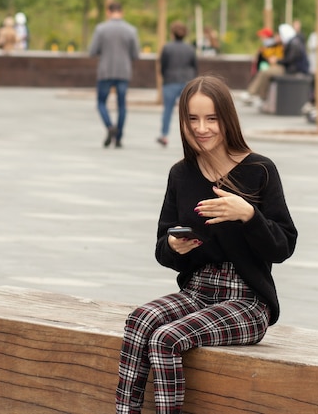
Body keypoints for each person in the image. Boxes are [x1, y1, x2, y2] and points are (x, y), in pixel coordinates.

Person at [115, 75, 298, 414]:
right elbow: (162, 246)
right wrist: (174, 247)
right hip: (197, 292)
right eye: (192, 119)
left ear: (227, 119)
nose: (202, 128)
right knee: (138, 321)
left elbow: (284, 245)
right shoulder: (181, 174)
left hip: (247, 301)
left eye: (211, 118)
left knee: (165, 339)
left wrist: (248, 215)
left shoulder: (259, 170)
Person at [89, 1, 140, 148]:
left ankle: (110, 127)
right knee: (122, 105)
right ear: (121, 12)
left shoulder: (101, 29)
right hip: (123, 71)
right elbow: (135, 54)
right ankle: (118, 138)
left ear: (108, 12)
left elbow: (92, 51)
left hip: (105, 71)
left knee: (101, 103)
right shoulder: (131, 30)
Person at [156, 21, 197, 147]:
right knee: (188, 111)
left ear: (172, 33)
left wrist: (164, 77)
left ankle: (164, 135)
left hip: (170, 80)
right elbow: (194, 66)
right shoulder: (190, 48)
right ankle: (191, 136)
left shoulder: (167, 48)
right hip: (187, 81)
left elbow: (162, 65)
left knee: (167, 109)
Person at [241, 27, 284, 105]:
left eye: (262, 36)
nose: (261, 38)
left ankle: (254, 93)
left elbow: (274, 57)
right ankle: (257, 95)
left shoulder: (275, 45)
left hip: (274, 66)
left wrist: (265, 53)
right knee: (261, 73)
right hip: (267, 65)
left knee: (264, 73)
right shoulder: (268, 45)